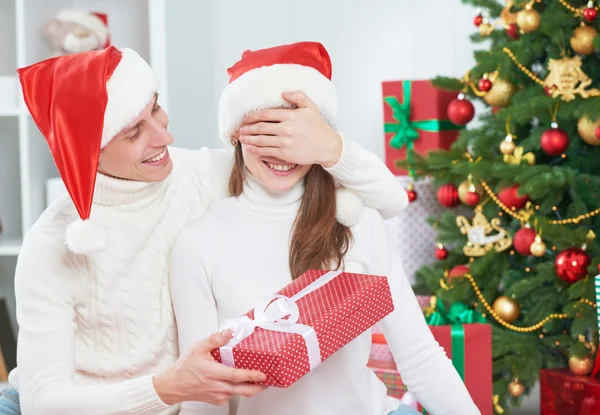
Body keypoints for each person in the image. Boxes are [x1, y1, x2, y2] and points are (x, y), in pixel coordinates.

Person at [0, 44, 407, 415]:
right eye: (134, 131)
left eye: (155, 109)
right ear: (92, 151)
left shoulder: (201, 174)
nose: (165, 136)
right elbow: (42, 400)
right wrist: (165, 388)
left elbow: (389, 201)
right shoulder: (52, 245)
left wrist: (331, 146)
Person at [170, 42, 481, 415]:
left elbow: (419, 356)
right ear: (236, 133)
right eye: (267, 132)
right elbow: (206, 398)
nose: (283, 152)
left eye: (297, 137)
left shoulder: (356, 221)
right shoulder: (199, 243)